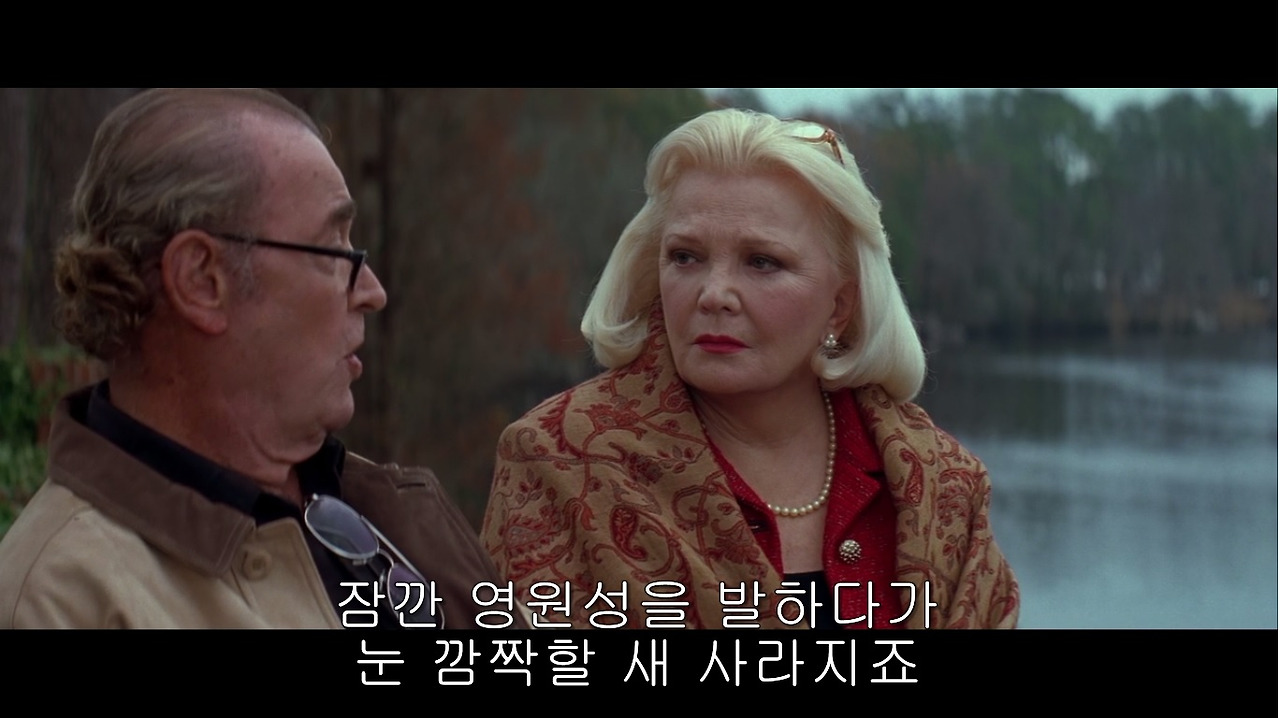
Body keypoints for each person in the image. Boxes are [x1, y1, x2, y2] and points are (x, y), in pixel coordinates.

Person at [0, 88, 518, 629]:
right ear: (202, 280)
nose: (372, 291)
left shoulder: (379, 509)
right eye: (335, 251)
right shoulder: (61, 601)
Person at [482, 108, 1019, 629]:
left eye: (762, 262)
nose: (714, 294)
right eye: (685, 257)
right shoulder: (558, 458)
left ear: (840, 305)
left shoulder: (944, 484)